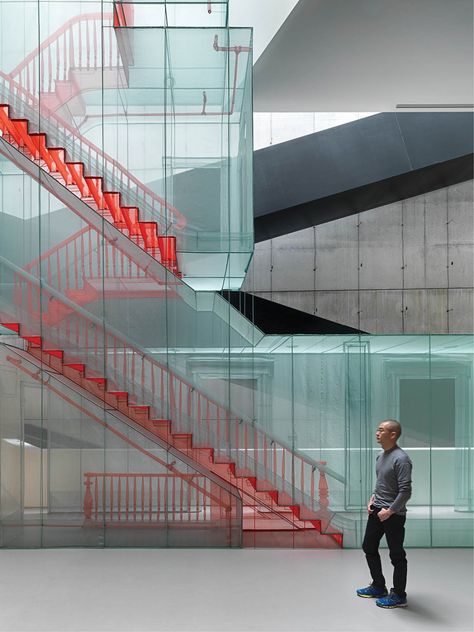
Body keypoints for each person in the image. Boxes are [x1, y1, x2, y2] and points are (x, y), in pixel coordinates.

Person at [356, 419, 412, 608]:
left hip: (393, 515)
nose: (377, 433)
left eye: (381, 430)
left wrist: (390, 511)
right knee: (368, 546)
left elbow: (405, 491)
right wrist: (372, 498)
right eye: (377, 430)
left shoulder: (401, 459)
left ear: (393, 435)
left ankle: (399, 594)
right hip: (377, 510)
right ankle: (379, 586)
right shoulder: (380, 456)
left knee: (396, 555)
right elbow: (382, 482)